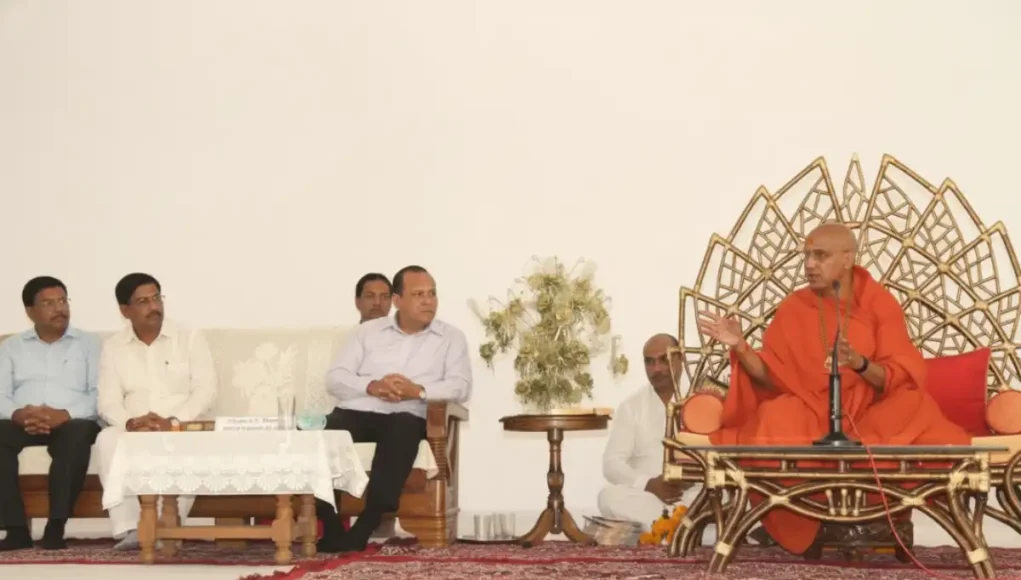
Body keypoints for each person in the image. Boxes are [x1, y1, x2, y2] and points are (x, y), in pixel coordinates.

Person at [696, 222, 970, 555]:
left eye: (820, 256)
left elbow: (897, 377)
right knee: (774, 416)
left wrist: (859, 363)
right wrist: (740, 346)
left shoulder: (878, 304)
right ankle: (810, 523)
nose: (809, 264)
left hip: (869, 414)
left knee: (917, 410)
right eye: (806, 256)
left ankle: (864, 516)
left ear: (848, 258)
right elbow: (773, 378)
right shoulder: (795, 307)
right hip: (814, 413)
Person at [317, 265, 472, 552]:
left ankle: (365, 526)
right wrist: (373, 386)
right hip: (359, 411)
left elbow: (461, 386)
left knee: (403, 426)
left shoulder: (451, 338)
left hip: (408, 414)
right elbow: (335, 378)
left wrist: (419, 391)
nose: (428, 301)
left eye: (432, 294)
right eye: (418, 294)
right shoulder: (366, 333)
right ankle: (333, 526)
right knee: (320, 432)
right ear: (398, 301)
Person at [94, 273, 218, 549]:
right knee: (106, 440)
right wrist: (130, 422)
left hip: (180, 423)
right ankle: (131, 528)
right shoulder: (113, 347)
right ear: (125, 311)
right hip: (136, 426)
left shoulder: (190, 338)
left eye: (156, 298)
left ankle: (166, 527)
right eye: (143, 301)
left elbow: (205, 390)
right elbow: (108, 400)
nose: (154, 307)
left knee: (187, 442)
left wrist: (174, 421)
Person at [0, 277, 101, 550]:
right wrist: (19, 414)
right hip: (24, 420)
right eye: (48, 303)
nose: (59, 308)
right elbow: (1, 394)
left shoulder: (90, 344)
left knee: (78, 434)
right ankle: (16, 529)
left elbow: (99, 393)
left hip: (73, 421)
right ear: (30, 311)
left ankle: (55, 526)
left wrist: (65, 414)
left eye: (63, 300)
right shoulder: (11, 346)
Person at [598, 334, 695, 529]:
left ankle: (667, 529)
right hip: (650, 497)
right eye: (649, 362)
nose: (656, 369)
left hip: (692, 494)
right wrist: (649, 484)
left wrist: (687, 479)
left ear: (681, 359)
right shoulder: (632, 406)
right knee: (608, 497)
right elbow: (611, 464)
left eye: (663, 360)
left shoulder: (701, 399)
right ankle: (684, 530)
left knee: (724, 496)